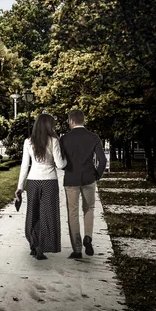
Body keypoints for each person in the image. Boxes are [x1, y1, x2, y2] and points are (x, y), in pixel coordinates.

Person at [15, 114, 66, 260]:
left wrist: (20, 187)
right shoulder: (53, 141)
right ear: (49, 126)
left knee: (33, 213)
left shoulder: (28, 142)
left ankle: (34, 243)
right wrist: (67, 159)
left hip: (32, 181)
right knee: (47, 215)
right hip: (49, 181)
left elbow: (24, 166)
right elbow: (61, 165)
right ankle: (42, 247)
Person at [60, 110, 106, 259]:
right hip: (89, 178)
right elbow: (102, 161)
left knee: (72, 212)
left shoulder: (65, 138)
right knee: (89, 209)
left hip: (71, 179)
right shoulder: (93, 137)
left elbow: (61, 161)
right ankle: (88, 237)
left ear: (71, 121)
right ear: (83, 120)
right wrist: (96, 176)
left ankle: (77, 249)